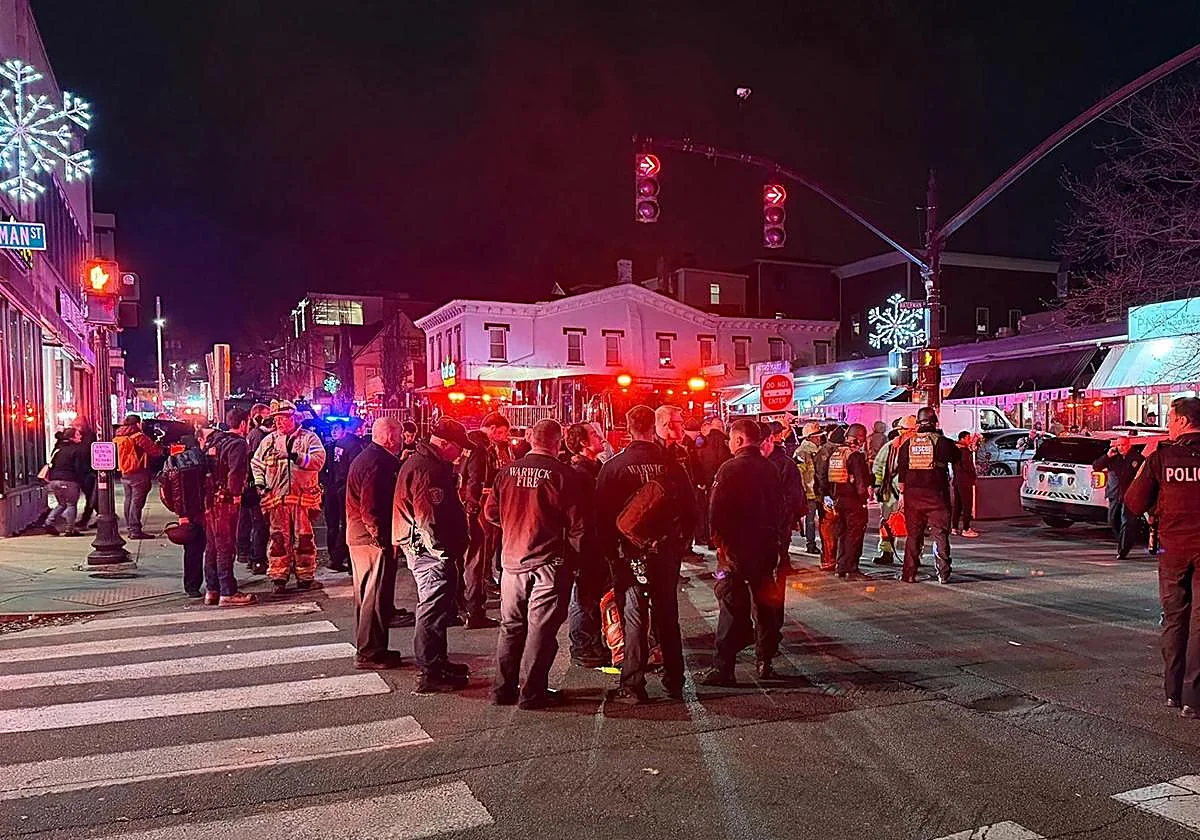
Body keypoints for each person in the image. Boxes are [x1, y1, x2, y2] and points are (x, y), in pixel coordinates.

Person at [595, 404, 695, 704]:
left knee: (634, 616)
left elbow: (601, 515)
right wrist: (681, 542)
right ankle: (675, 679)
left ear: (628, 428)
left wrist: (611, 553)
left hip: (629, 553)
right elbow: (690, 507)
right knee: (668, 613)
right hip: (664, 550)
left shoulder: (613, 466)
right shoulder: (671, 464)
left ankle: (633, 684)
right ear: (653, 426)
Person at [487, 419, 586, 709]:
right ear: (558, 442)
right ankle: (532, 692)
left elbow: (491, 511)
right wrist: (575, 560)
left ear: (531, 439)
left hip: (512, 560)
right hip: (548, 562)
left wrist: (511, 527)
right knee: (540, 628)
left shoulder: (507, 472)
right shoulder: (563, 475)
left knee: (510, 626)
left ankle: (502, 689)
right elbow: (578, 524)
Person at [1125, 397, 1200, 717]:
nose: (1168, 425)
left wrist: (1157, 511)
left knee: (1174, 619)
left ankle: (1172, 691)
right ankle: (1193, 699)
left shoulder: (1162, 458)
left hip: (1173, 548)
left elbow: (1133, 501)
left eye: (1170, 418)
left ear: (1183, 421)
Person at [393, 416, 474, 694]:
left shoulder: (427, 463)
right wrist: (442, 552)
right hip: (429, 552)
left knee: (436, 609)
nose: (461, 452)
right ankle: (430, 671)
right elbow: (428, 516)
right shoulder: (429, 469)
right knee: (431, 609)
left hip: (423, 548)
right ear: (447, 444)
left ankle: (438, 663)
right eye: (459, 447)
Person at [701, 419, 785, 685]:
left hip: (735, 550)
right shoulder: (771, 469)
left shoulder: (728, 469)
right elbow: (780, 508)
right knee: (765, 607)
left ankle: (724, 668)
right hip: (765, 547)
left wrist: (720, 546)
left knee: (730, 607)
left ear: (738, 440)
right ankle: (765, 660)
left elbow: (715, 513)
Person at [346, 416, 412, 670]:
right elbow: (371, 507)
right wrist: (383, 538)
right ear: (389, 436)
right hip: (370, 539)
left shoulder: (369, 457)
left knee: (367, 597)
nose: (400, 440)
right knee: (374, 597)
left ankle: (372, 648)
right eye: (399, 435)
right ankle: (370, 652)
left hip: (361, 536)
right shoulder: (379, 462)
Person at [250, 400, 327, 597]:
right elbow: (256, 464)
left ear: (293, 418)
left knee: (304, 539)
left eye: (282, 418)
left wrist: (295, 456)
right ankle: (278, 577)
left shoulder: (309, 439)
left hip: (303, 500)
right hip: (276, 500)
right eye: (276, 419)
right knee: (278, 540)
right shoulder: (268, 442)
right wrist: (260, 484)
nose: (278, 423)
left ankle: (305, 577)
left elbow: (318, 461)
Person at [563, 421, 609, 668]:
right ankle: (582, 646)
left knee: (593, 595)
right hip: (585, 545)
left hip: (597, 542)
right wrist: (579, 550)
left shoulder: (595, 467)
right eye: (594, 433)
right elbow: (579, 516)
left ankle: (593, 642)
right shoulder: (579, 473)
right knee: (583, 596)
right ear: (582, 443)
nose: (600, 436)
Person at [897, 407, 961, 584]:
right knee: (940, 534)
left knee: (913, 535)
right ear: (935, 422)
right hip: (936, 497)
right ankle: (943, 574)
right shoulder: (942, 442)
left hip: (913, 498)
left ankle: (909, 574)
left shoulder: (907, 445)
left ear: (918, 423)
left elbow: (901, 471)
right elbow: (956, 457)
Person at [201, 407, 257, 607]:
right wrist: (235, 497)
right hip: (225, 502)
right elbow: (236, 473)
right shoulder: (239, 444)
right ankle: (228, 591)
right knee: (225, 546)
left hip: (208, 500)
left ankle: (212, 590)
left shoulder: (214, 441)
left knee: (212, 546)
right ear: (243, 423)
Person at [460, 412, 511, 628]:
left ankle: (463, 605)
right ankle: (474, 610)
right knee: (477, 559)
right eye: (501, 432)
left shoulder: (465, 446)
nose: (503, 437)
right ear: (491, 428)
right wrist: (474, 507)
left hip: (462, 508)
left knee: (466, 559)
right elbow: (476, 482)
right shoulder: (480, 449)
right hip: (477, 509)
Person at [160, 434, 208, 598]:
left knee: (191, 551)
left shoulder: (173, 462)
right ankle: (213, 583)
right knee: (210, 549)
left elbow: (165, 491)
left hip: (186, 513)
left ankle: (191, 585)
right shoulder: (204, 459)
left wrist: (179, 512)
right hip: (205, 510)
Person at [828, 422, 873, 579]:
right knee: (854, 535)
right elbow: (861, 483)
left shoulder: (836, 454)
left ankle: (841, 567)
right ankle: (851, 569)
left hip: (839, 500)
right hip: (853, 502)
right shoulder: (855, 456)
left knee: (842, 534)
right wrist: (864, 499)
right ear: (859, 439)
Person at [1093, 435, 1146, 559]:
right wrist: (1107, 456)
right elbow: (1096, 466)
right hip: (1114, 494)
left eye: (1123, 445)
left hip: (1130, 496)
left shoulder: (1137, 459)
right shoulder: (1112, 458)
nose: (1121, 448)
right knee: (1113, 520)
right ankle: (1124, 540)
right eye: (1118, 445)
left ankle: (1123, 550)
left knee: (1126, 522)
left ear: (1129, 445)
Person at [873, 415, 916, 565]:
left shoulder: (918, 447)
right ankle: (886, 551)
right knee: (887, 523)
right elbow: (878, 468)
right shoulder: (890, 447)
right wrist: (878, 487)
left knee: (915, 525)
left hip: (913, 493)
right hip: (890, 493)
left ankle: (914, 554)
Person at [325, 419, 366, 573]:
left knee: (336, 525)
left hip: (334, 489)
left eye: (336, 428)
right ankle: (340, 558)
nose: (333, 431)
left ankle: (335, 558)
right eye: (332, 428)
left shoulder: (333, 445)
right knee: (346, 524)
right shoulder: (353, 445)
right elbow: (355, 469)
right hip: (342, 489)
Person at [114, 414, 163, 539]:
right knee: (137, 502)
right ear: (137, 424)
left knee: (129, 500)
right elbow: (155, 451)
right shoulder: (139, 437)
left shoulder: (118, 436)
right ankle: (135, 530)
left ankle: (130, 527)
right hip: (139, 472)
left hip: (125, 472)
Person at [765, 421, 805, 574]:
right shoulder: (784, 462)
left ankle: (779, 563)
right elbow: (793, 489)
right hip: (783, 507)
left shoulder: (764, 461)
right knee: (783, 537)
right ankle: (783, 564)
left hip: (768, 507)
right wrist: (795, 508)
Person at [238, 404, 271, 575]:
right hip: (254, 486)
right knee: (260, 524)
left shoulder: (252, 435)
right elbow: (257, 462)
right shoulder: (259, 436)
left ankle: (247, 553)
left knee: (248, 522)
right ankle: (257, 559)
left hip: (249, 486)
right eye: (266, 415)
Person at [694, 416, 732, 549]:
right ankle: (717, 540)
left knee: (706, 511)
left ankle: (706, 538)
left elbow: (699, 461)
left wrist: (702, 480)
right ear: (721, 427)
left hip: (705, 482)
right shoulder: (726, 442)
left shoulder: (702, 442)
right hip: (722, 483)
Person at [813, 425, 846, 571]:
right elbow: (821, 475)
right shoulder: (828, 452)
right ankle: (829, 560)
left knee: (830, 529)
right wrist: (825, 494)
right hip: (829, 496)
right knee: (829, 529)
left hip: (830, 495)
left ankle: (830, 559)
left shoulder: (825, 450)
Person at [45, 428, 89, 537]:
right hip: (69, 480)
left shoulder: (58, 449)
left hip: (54, 481)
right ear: (72, 437)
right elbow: (80, 467)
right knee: (71, 504)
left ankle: (48, 522)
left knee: (61, 504)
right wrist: (82, 479)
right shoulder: (76, 450)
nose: (81, 436)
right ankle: (70, 529)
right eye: (78, 434)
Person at [795, 422, 824, 555]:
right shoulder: (802, 452)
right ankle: (810, 544)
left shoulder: (820, 451)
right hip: (809, 491)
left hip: (819, 490)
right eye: (816, 437)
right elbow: (799, 473)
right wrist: (802, 490)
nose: (819, 439)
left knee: (822, 520)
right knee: (810, 520)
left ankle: (824, 545)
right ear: (809, 438)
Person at [70, 416, 97, 529]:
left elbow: (84, 455)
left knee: (91, 496)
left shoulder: (87, 438)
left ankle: (87, 518)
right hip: (83, 472)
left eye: (75, 426)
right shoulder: (85, 438)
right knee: (90, 496)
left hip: (88, 472)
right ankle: (93, 516)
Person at [951, 432, 980, 538]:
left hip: (957, 480)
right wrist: (973, 476)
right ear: (962, 439)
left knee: (957, 505)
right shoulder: (964, 451)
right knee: (967, 505)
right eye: (968, 438)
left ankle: (954, 527)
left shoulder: (955, 450)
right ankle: (966, 528)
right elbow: (968, 466)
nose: (969, 440)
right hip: (965, 481)